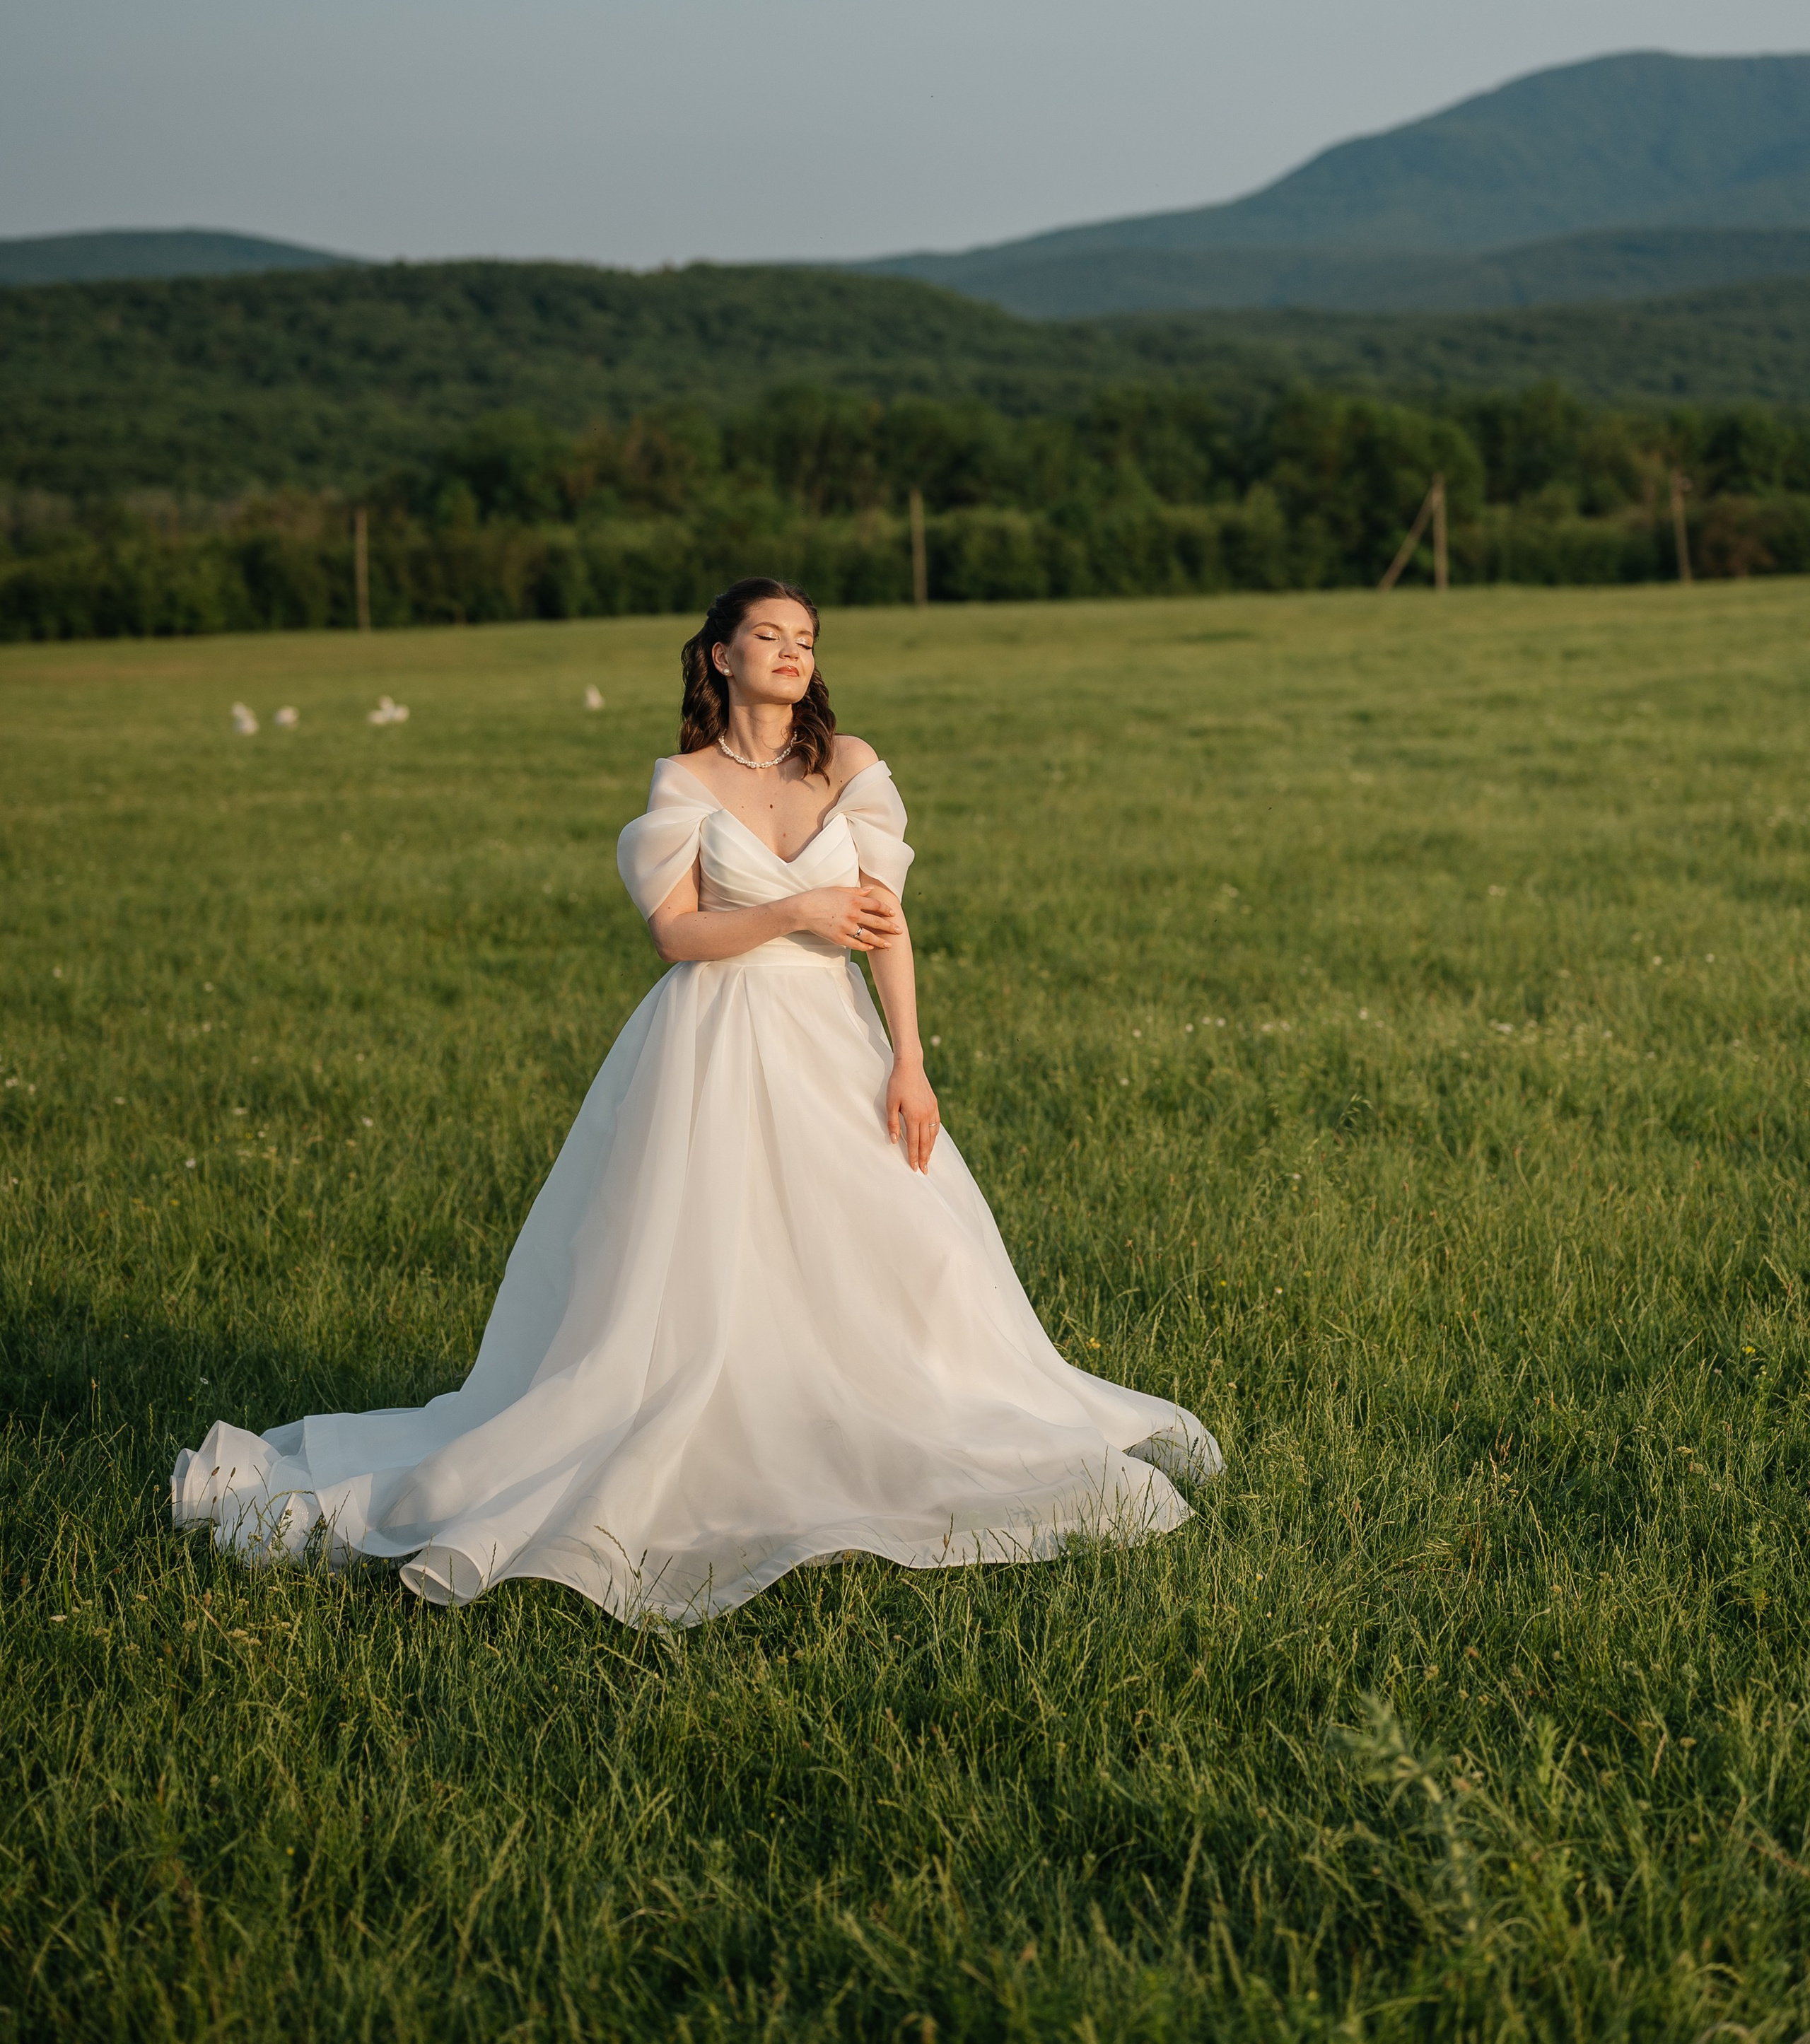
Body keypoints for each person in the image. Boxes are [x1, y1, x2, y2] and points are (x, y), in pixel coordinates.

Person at [173, 577, 1220, 1623]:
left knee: (908, 1244)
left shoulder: (849, 766)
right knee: (712, 1257)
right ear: (720, 655)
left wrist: (911, 1059)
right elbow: (676, 935)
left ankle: (894, 1410)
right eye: (767, 635)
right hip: (716, 1035)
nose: (790, 652)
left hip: (835, 1033)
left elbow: (887, 923)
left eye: (804, 638)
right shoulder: (684, 783)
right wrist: (794, 908)